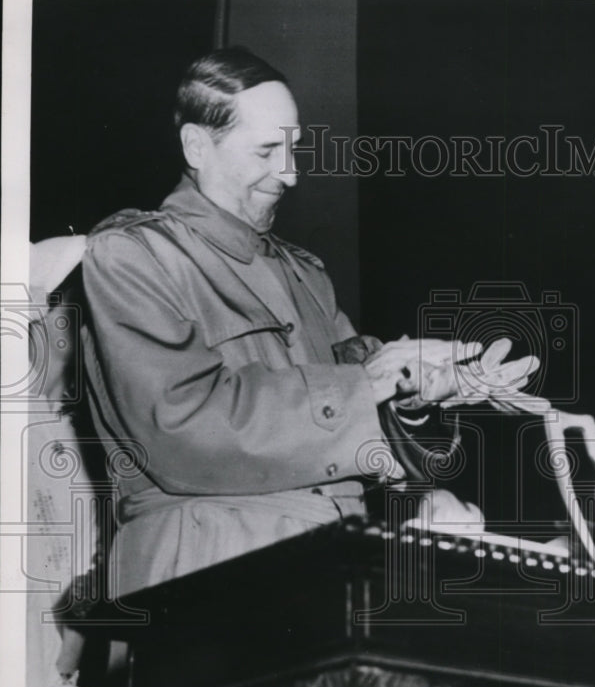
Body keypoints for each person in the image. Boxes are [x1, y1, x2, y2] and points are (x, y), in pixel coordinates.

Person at [80, 47, 536, 599]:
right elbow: (185, 427)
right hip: (204, 569)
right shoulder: (132, 256)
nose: (291, 174)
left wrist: (422, 391)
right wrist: (371, 384)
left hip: (327, 565)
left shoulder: (304, 274)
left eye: (294, 148)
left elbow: (359, 419)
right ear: (197, 146)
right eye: (268, 151)